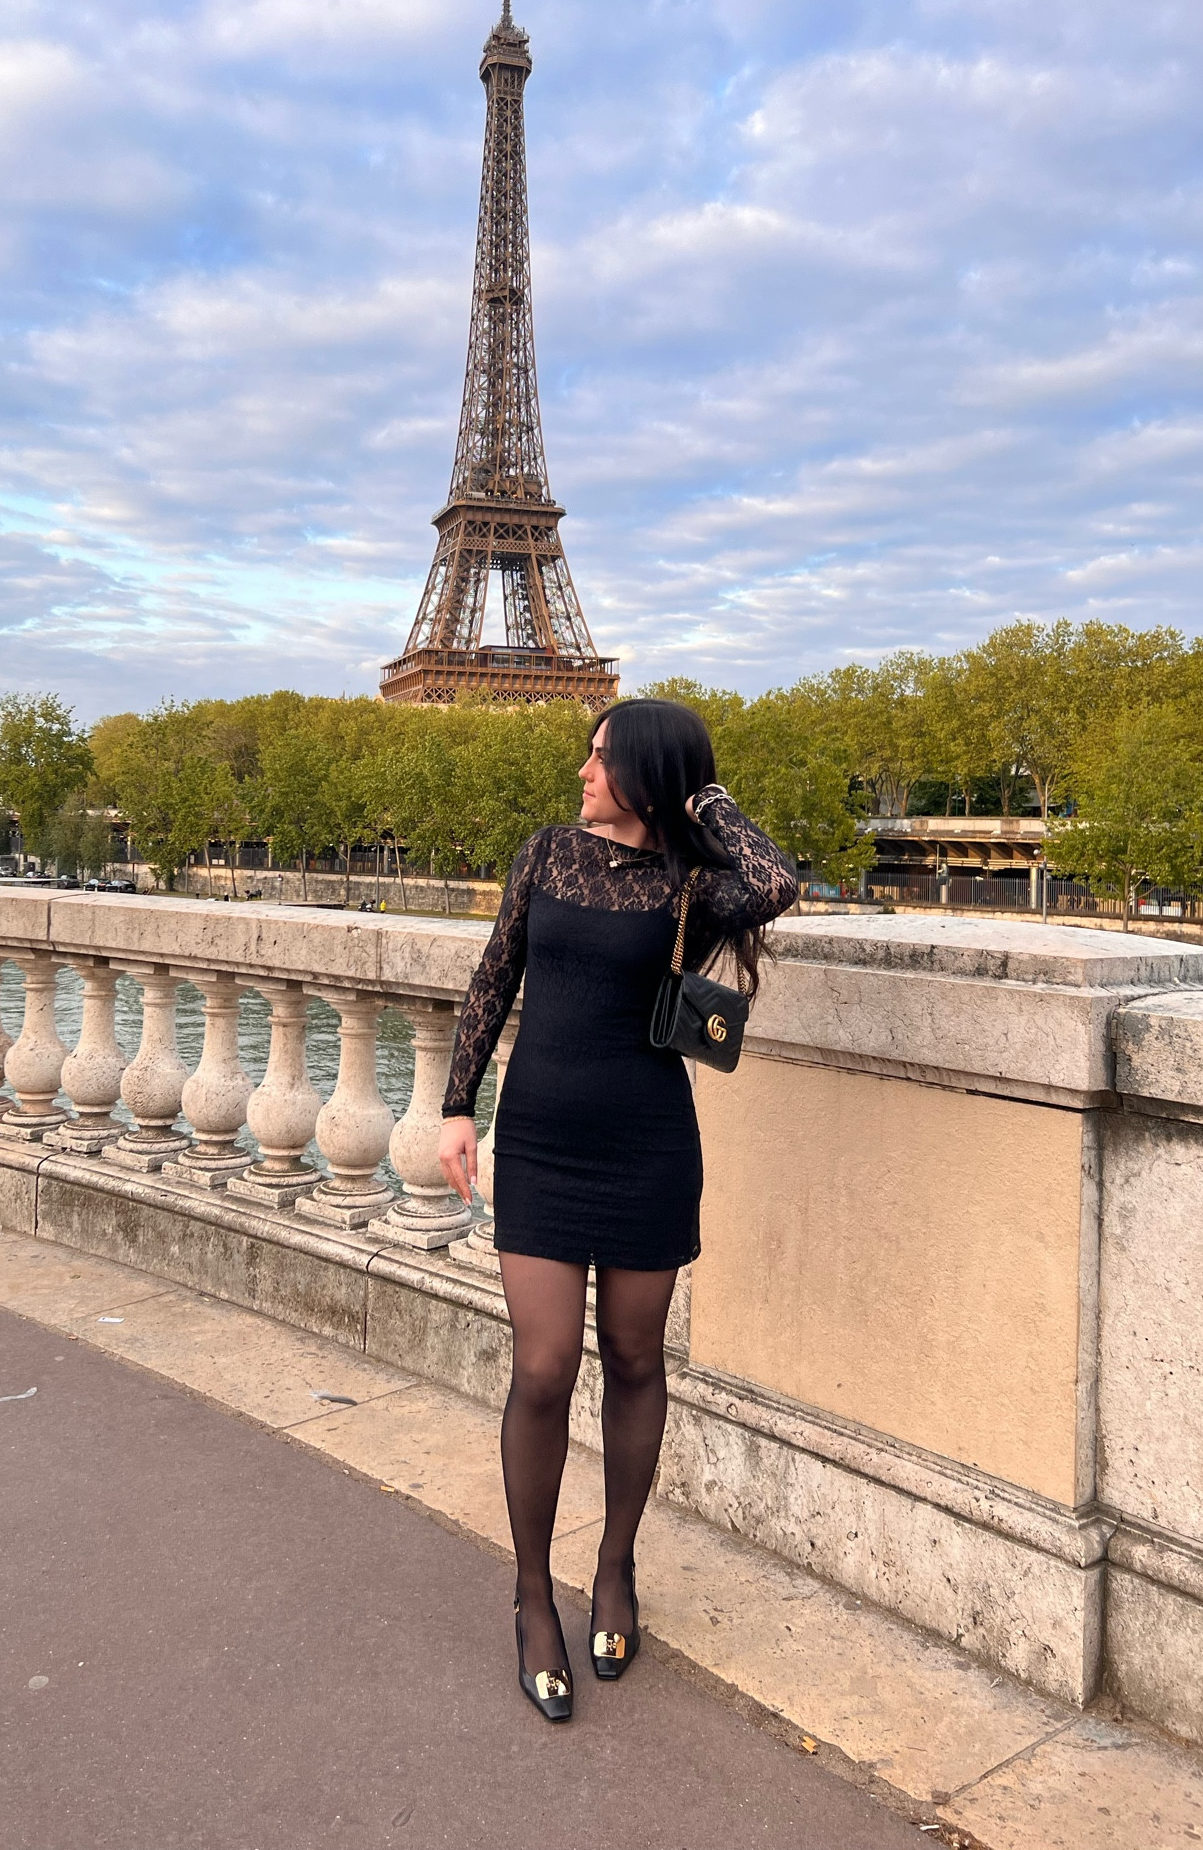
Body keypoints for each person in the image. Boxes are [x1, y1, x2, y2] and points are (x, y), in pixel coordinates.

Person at [437, 698, 798, 1721]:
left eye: (601, 758)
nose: (583, 771)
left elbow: (774, 880)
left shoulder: (692, 884)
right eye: (588, 755)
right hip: (544, 1142)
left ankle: (616, 1562)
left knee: (637, 1360)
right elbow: (493, 976)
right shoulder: (546, 854)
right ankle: (529, 1594)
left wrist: (702, 797)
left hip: (647, 1147)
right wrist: (458, 1106)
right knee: (544, 1364)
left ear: (644, 773)